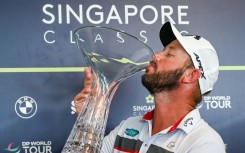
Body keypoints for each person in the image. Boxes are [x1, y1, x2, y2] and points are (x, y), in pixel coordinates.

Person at [74, 21, 226, 153]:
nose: (156, 55)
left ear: (191, 75)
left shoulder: (204, 143)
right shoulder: (127, 127)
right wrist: (90, 115)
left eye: (169, 54)